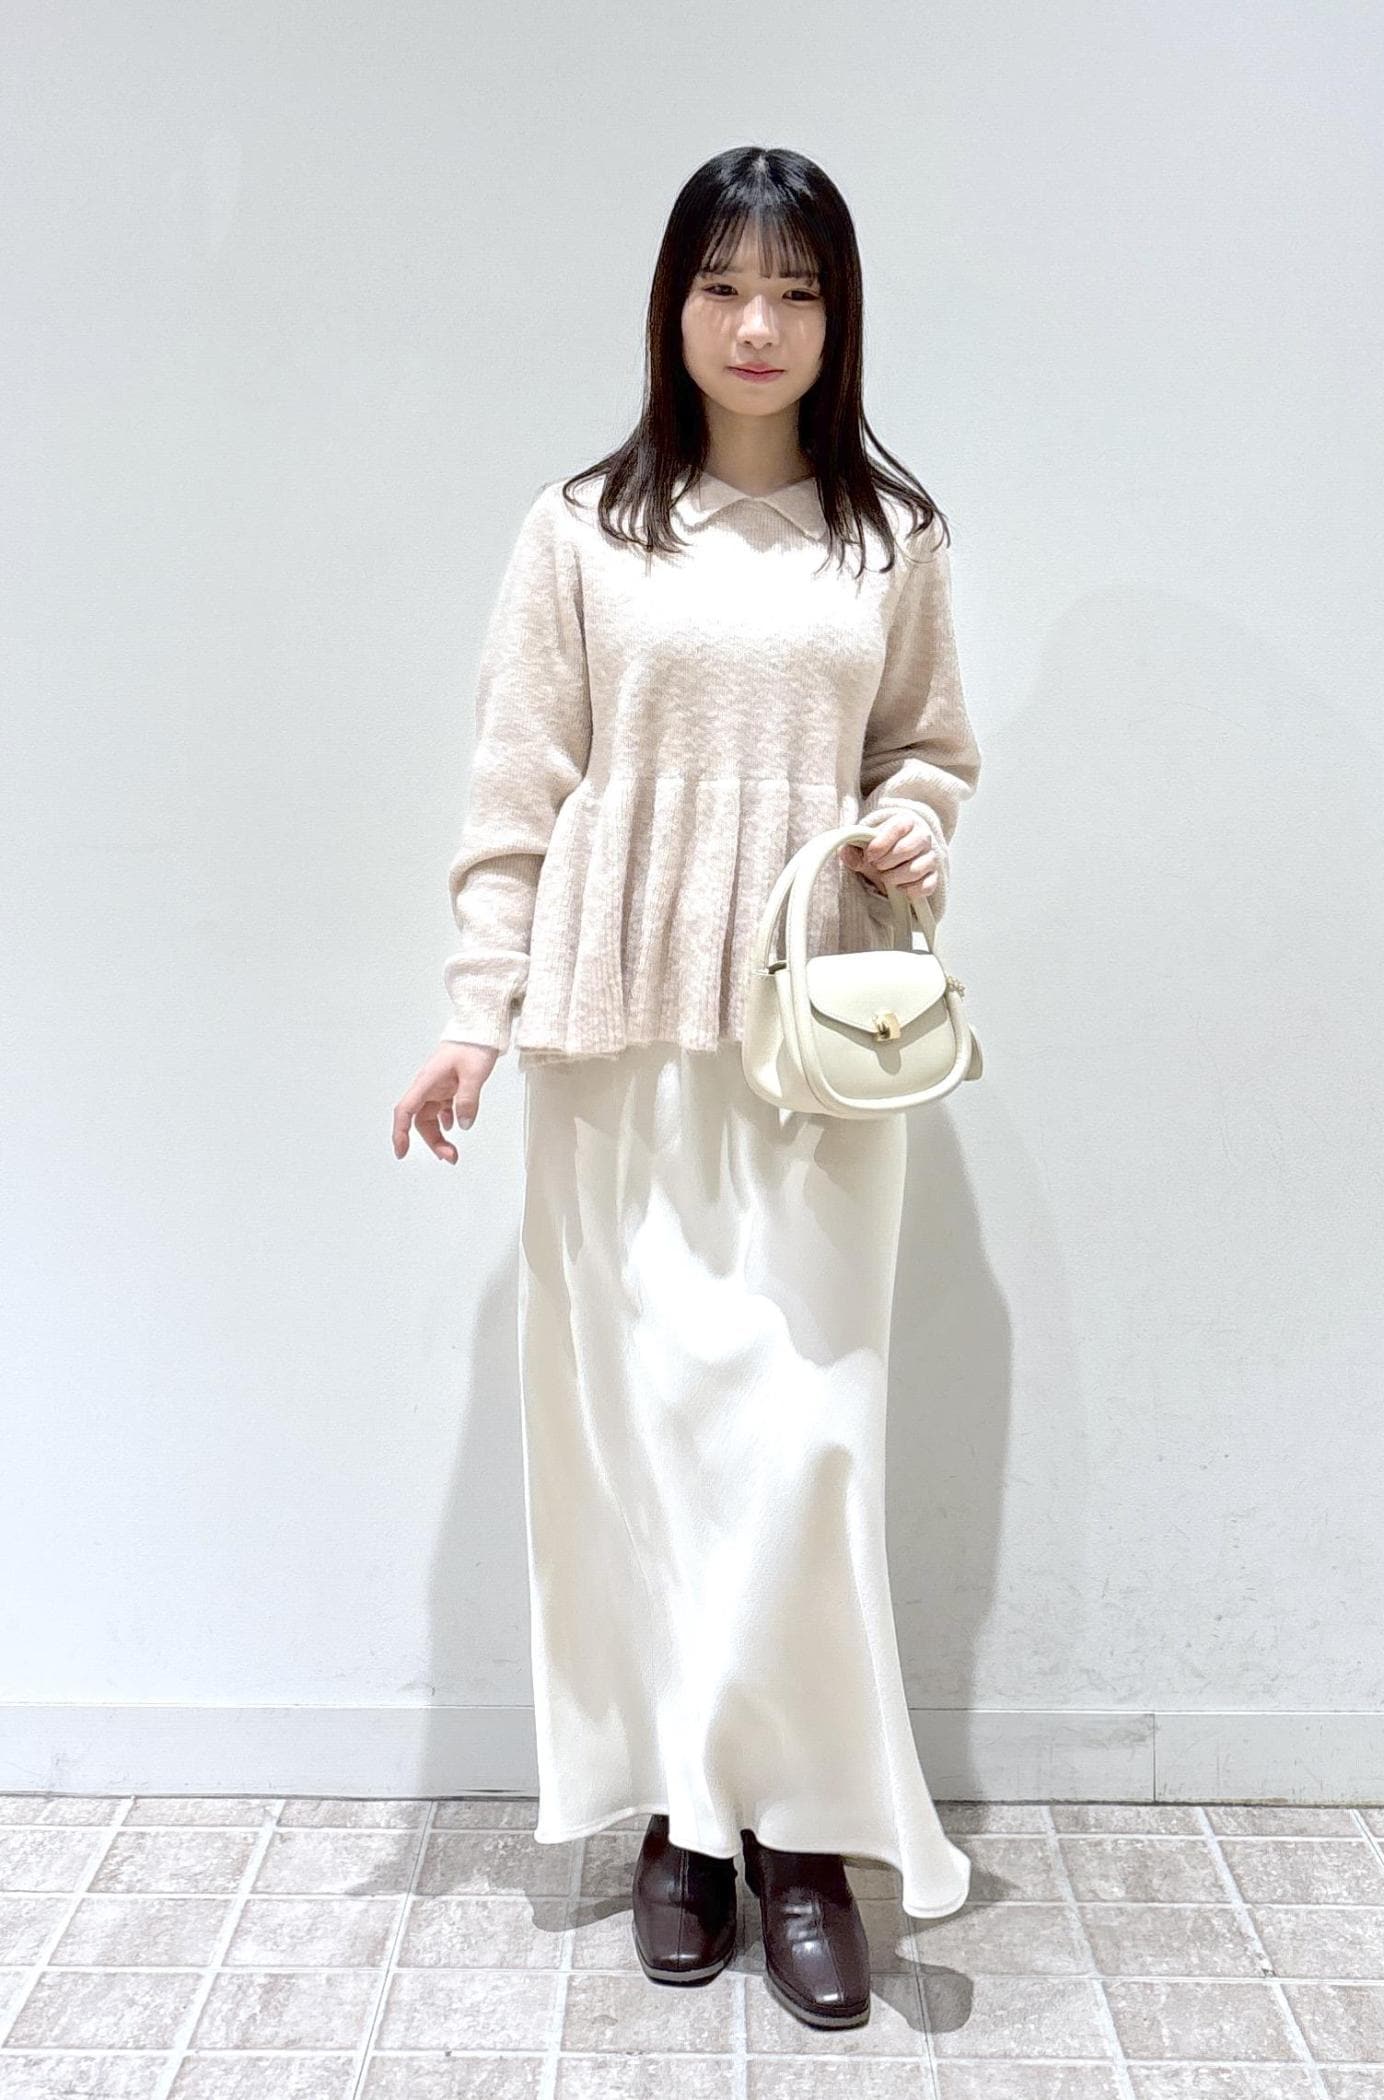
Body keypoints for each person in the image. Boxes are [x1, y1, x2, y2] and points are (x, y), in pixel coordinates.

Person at [392, 144, 983, 2030]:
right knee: (645, 1441)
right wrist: (475, 1013)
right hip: (615, 1023)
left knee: (806, 1441)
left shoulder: (890, 535)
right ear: (671, 304)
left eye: (795, 291)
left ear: (838, 317)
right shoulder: (582, 530)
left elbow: (930, 750)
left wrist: (915, 816)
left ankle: (800, 1834)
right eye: (724, 284)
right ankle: (683, 1820)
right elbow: (517, 790)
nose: (756, 324)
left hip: (813, 1040)